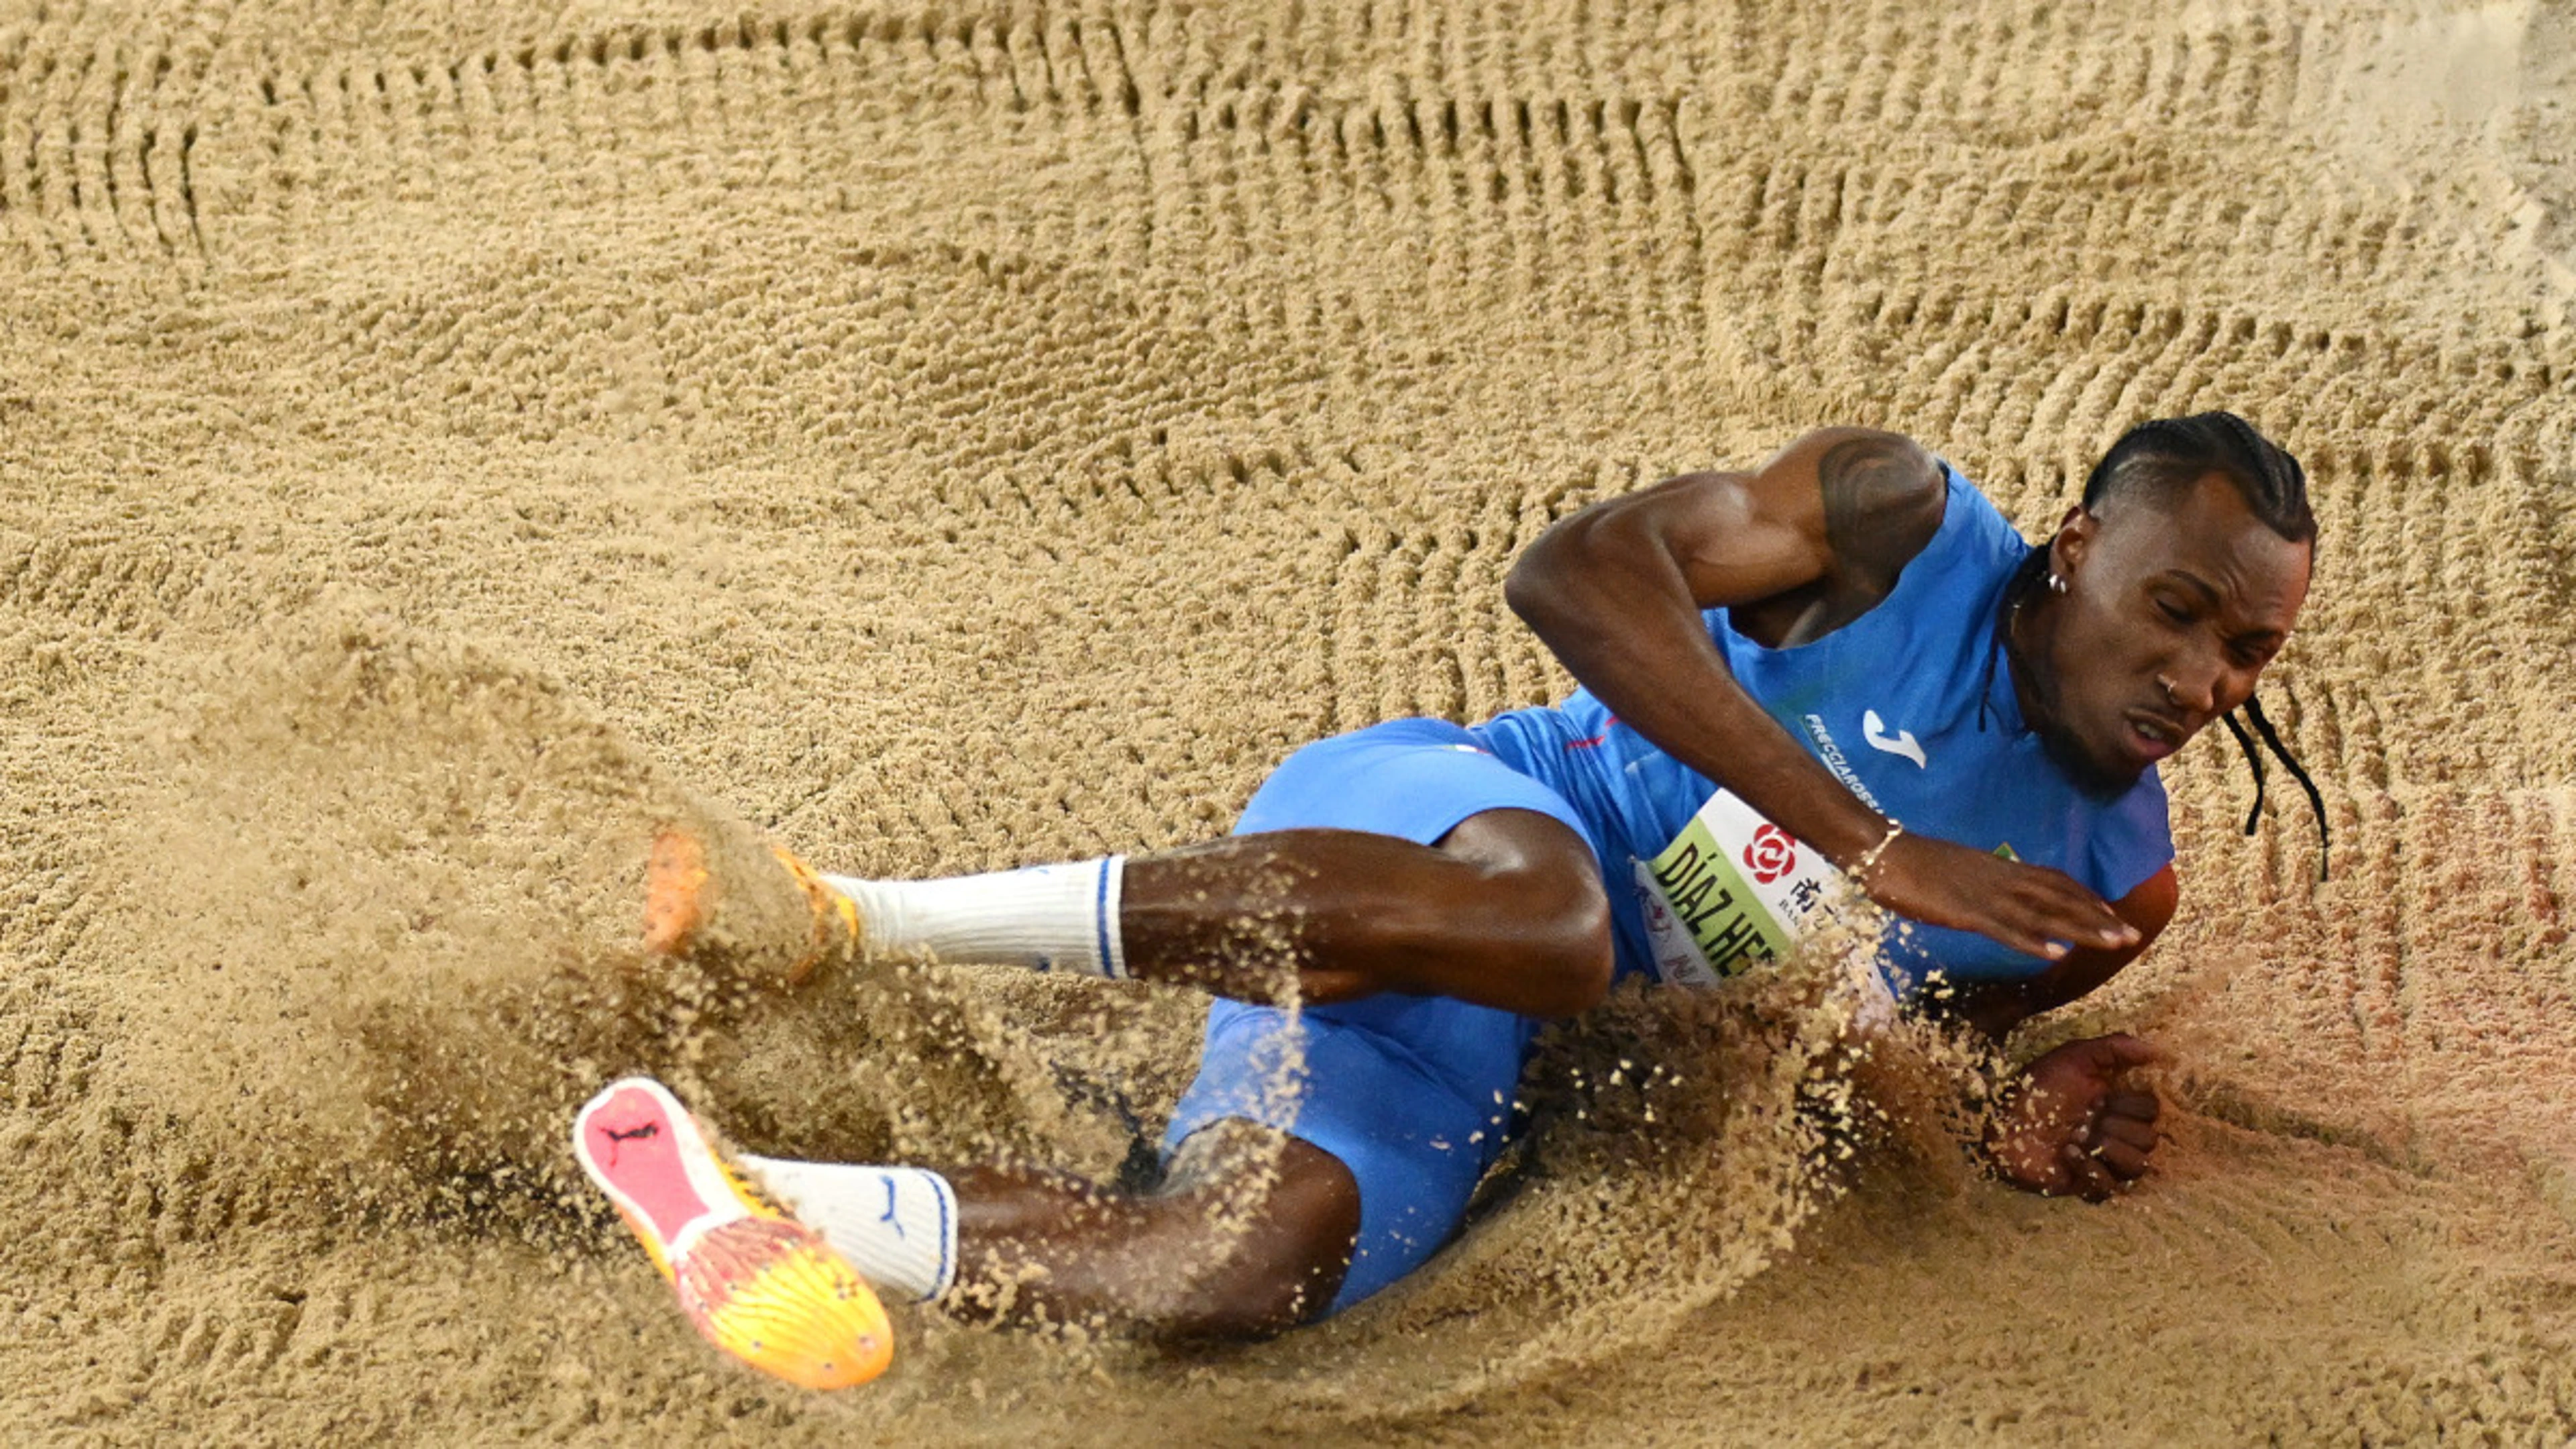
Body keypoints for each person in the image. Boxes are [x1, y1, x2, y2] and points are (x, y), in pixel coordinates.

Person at [571, 413, 2322, 1387]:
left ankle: (733, 1198)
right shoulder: (1894, 524)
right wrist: (1870, 844)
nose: (2203, 678)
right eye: (2176, 610)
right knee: (1551, 921)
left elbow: (1850, 1044)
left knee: (1241, 1271)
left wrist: (2005, 1113)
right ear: (2078, 546)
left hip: (1494, 1031)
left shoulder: (2115, 886)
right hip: (1461, 831)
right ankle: (846, 915)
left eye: (2247, 649)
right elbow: (1573, 575)